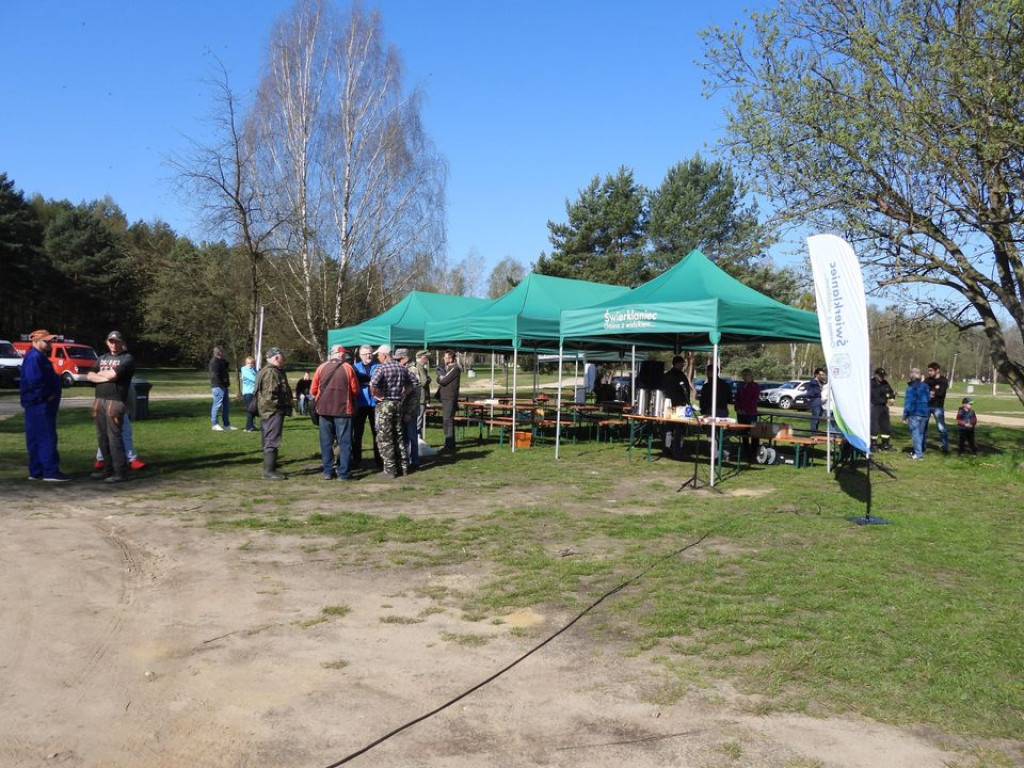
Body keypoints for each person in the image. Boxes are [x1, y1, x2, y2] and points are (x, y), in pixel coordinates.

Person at [87, 330, 136, 483]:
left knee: (114, 437)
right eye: (111, 341)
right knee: (102, 437)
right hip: (99, 400)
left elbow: (113, 376)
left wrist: (100, 375)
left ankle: (120, 472)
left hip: (115, 401)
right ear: (107, 342)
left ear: (122, 343)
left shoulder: (127, 358)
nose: (114, 344)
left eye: (117, 341)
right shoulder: (102, 358)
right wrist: (104, 377)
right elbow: (89, 376)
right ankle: (107, 469)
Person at [20, 329, 68, 482]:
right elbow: (36, 380)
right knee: (46, 437)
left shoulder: (37, 357)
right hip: (40, 404)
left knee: (35, 438)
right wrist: (48, 395)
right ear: (35, 341)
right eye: (46, 341)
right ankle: (50, 471)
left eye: (50, 341)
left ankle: (36, 471)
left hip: (35, 403)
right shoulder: (35, 357)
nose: (50, 344)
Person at [311, 344, 359, 480]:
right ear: (339, 354)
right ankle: (343, 473)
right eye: (343, 354)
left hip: (324, 410)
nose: (344, 355)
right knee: (344, 442)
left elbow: (313, 390)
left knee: (326, 442)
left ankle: (327, 471)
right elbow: (355, 390)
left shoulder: (321, 368)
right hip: (343, 410)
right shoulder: (348, 368)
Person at [369, 344, 413, 478]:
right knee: (398, 435)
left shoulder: (382, 368)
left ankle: (390, 470)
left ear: (385, 355)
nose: (377, 357)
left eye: (379, 355)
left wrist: (376, 395)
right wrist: (403, 395)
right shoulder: (402, 367)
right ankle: (403, 467)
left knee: (385, 437)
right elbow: (412, 384)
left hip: (385, 404)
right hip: (398, 404)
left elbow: (373, 384)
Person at [254, 347, 293, 480]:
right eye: (283, 356)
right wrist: (279, 407)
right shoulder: (271, 372)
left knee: (268, 437)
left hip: (267, 411)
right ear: (276, 357)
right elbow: (270, 394)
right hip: (272, 411)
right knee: (272, 439)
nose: (285, 358)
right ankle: (269, 470)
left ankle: (271, 467)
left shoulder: (266, 371)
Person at [351, 345, 382, 472]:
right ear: (360, 355)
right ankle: (356, 460)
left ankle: (379, 461)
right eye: (365, 354)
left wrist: (365, 381)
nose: (368, 356)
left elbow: (379, 381)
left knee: (377, 434)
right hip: (360, 404)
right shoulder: (355, 367)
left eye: (370, 353)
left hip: (375, 404)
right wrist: (370, 381)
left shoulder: (378, 365)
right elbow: (355, 381)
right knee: (357, 434)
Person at [659, 355, 691, 458]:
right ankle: (677, 450)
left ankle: (667, 449)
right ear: (677, 363)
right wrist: (686, 402)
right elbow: (686, 390)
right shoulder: (681, 376)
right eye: (682, 364)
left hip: (669, 405)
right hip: (680, 405)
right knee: (679, 430)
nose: (683, 366)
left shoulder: (666, 375)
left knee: (669, 429)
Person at [396, 349, 421, 470]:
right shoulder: (404, 369)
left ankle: (414, 461)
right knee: (404, 437)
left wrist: (409, 412)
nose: (397, 362)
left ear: (404, 358)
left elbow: (416, 395)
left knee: (411, 436)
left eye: (398, 359)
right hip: (403, 408)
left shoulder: (412, 370)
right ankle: (405, 460)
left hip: (410, 410)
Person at [436, 349, 462, 453]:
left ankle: (450, 445)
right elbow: (439, 379)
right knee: (446, 420)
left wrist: (440, 378)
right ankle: (448, 443)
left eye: (446, 357)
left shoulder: (455, 368)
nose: (444, 359)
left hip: (450, 398)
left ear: (451, 358)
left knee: (448, 420)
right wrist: (440, 377)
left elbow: (443, 380)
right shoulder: (447, 367)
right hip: (445, 397)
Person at [902, 367, 930, 460]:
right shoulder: (926, 386)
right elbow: (929, 398)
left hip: (914, 412)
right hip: (925, 413)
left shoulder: (910, 388)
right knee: (921, 434)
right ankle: (918, 451)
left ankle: (918, 454)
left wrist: (904, 415)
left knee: (915, 434)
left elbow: (908, 402)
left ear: (911, 376)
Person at [734, 368, 761, 462]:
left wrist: (746, 410)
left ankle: (754, 453)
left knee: (754, 434)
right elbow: (737, 399)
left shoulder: (755, 386)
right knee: (743, 434)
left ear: (751, 376)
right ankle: (746, 453)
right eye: (743, 376)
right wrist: (738, 409)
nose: (744, 377)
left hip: (751, 413)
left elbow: (754, 400)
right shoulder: (741, 386)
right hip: (741, 414)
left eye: (746, 375)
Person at [924, 362, 950, 454]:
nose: (929, 372)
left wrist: (932, 392)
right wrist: (933, 391)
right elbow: (923, 391)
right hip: (926, 406)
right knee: (923, 427)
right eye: (928, 370)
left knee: (941, 428)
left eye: (931, 370)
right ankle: (922, 447)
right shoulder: (927, 380)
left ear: (937, 370)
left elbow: (941, 393)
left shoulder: (943, 380)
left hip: (938, 407)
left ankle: (945, 446)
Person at [209, 346, 236, 431]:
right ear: (217, 352)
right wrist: (220, 384)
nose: (222, 353)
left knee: (226, 406)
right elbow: (214, 375)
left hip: (224, 386)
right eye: (220, 352)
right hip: (218, 386)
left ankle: (226, 424)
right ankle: (215, 424)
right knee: (217, 405)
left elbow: (227, 366)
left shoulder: (221, 361)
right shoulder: (214, 362)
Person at [870, 367, 896, 451]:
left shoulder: (885, 383)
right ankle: (873, 444)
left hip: (883, 407)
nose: (882, 377)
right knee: (874, 426)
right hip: (874, 406)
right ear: (876, 375)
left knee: (886, 426)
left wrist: (892, 398)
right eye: (880, 375)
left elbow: (891, 392)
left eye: (883, 376)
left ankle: (885, 444)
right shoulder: (870, 383)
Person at [413, 350, 431, 439]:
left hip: (420, 398)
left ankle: (418, 441)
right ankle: (417, 442)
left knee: (418, 421)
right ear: (422, 358)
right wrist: (429, 379)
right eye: (426, 358)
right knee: (418, 422)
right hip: (420, 398)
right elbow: (424, 382)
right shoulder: (419, 368)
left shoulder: (420, 368)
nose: (427, 360)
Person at [806, 367, 827, 432]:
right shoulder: (813, 383)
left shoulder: (821, 382)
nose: (822, 376)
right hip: (815, 402)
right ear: (816, 375)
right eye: (821, 374)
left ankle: (815, 431)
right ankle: (813, 434)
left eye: (823, 374)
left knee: (818, 419)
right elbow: (811, 393)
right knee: (815, 418)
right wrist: (821, 392)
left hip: (821, 402)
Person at [240, 355, 259, 432]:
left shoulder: (254, 370)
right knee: (251, 410)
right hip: (248, 393)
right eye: (248, 363)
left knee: (252, 410)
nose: (250, 365)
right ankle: (249, 427)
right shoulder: (244, 370)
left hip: (253, 393)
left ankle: (249, 426)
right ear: (245, 363)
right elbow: (255, 379)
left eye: (251, 363)